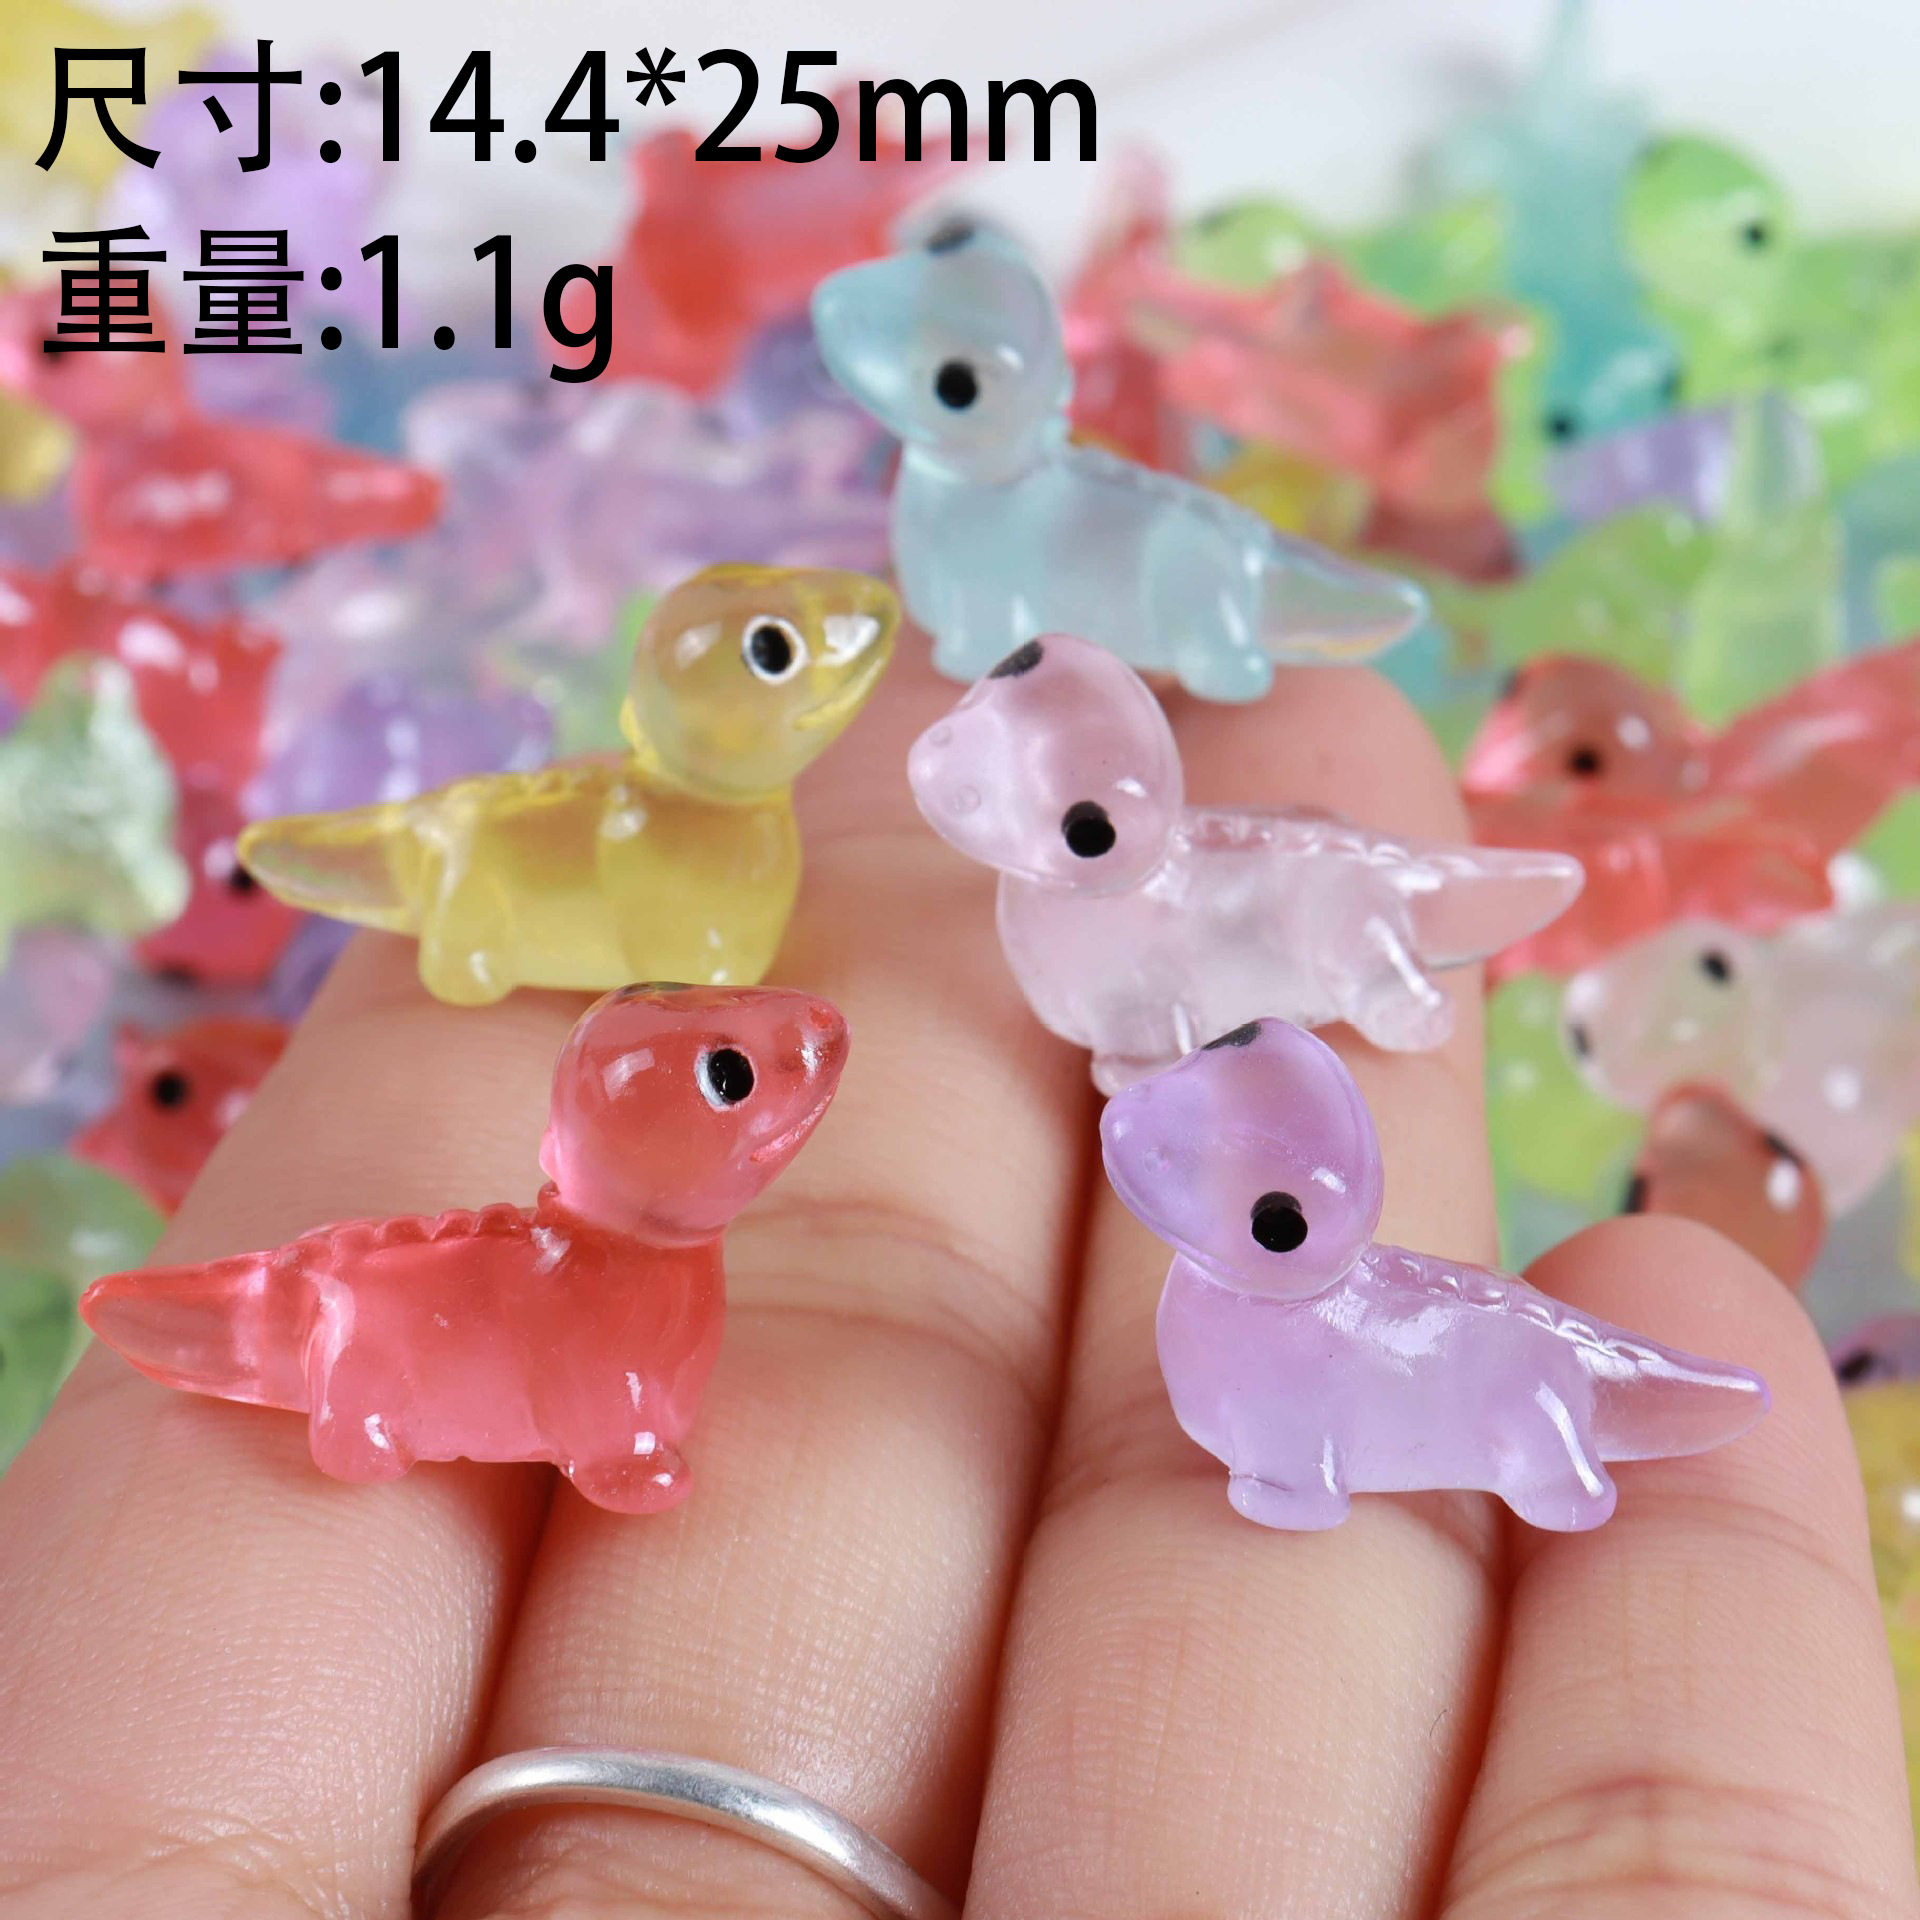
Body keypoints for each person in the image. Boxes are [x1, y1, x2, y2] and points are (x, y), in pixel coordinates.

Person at [1, 655, 1913, 1919]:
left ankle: (1534, 1435)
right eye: (734, 1088)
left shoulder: (1257, 1254)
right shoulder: (663, 1257)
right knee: (385, 1349)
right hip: (389, 1352)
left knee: (1530, 1397)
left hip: (1424, 1362)